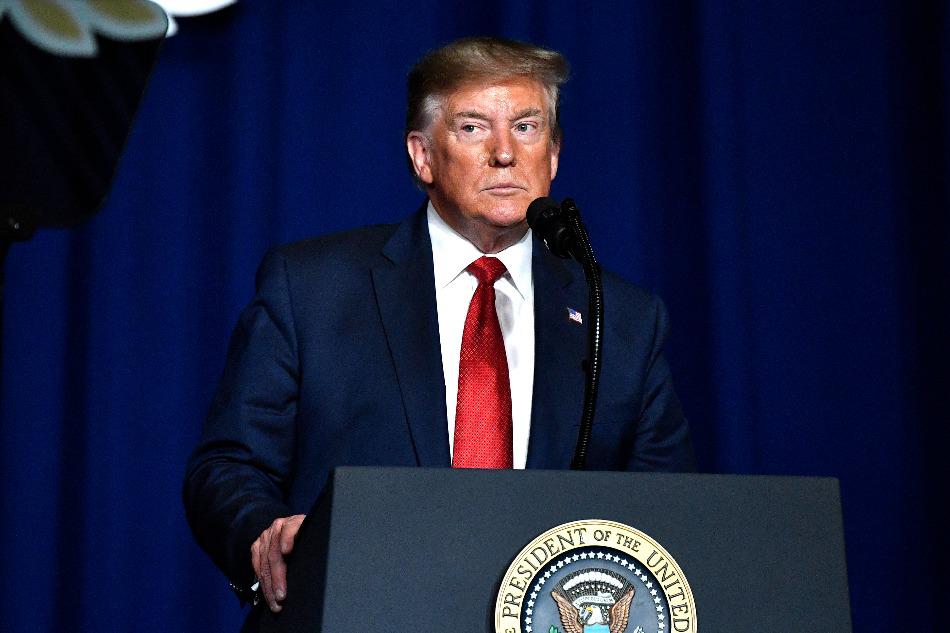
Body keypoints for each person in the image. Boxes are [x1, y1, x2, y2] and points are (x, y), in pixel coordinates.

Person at [183, 36, 694, 617]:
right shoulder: (312, 288)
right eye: (473, 128)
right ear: (422, 156)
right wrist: (264, 533)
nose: (505, 153)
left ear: (553, 155)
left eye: (526, 127)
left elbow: (670, 511)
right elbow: (227, 468)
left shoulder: (621, 318)